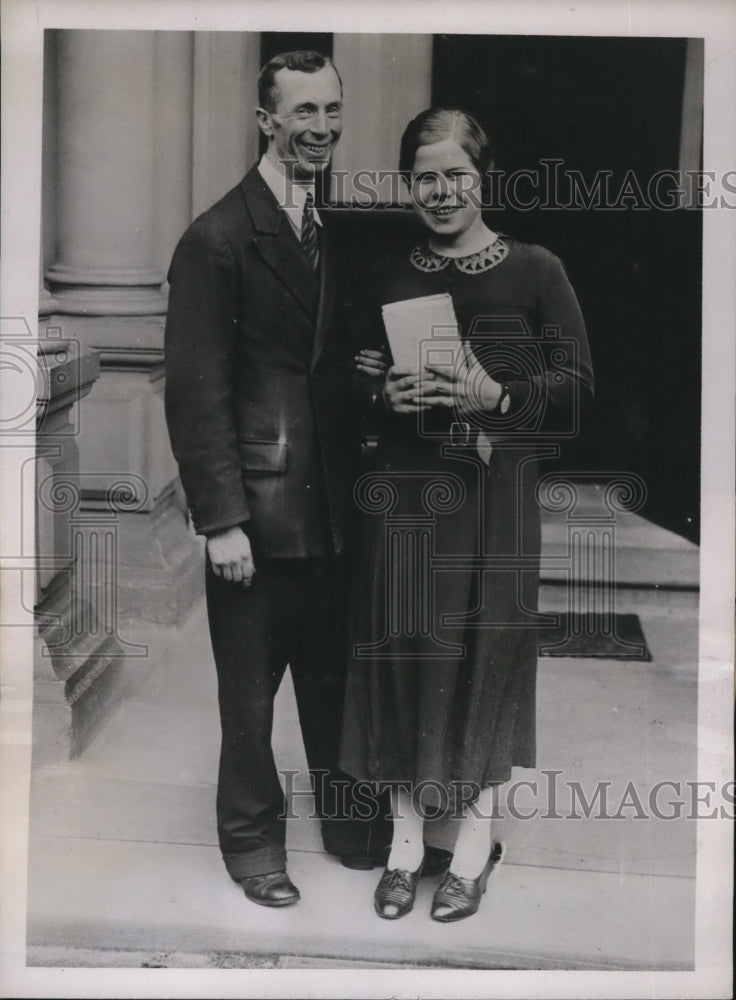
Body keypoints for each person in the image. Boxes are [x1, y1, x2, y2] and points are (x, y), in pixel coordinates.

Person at [341, 108, 594, 922]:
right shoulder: (388, 272)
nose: (441, 191)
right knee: (409, 654)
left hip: (495, 501)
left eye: (455, 174)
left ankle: (475, 848)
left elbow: (579, 392)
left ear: (482, 176)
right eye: (425, 177)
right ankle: (406, 845)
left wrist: (499, 394)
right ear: (409, 183)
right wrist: (381, 393)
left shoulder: (535, 269)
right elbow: (354, 379)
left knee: (484, 656)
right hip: (411, 495)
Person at [164, 50, 387, 908]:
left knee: (333, 678)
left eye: (331, 112)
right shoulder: (217, 237)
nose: (321, 129)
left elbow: (315, 366)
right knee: (249, 705)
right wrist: (221, 520)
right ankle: (254, 844)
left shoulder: (323, 227)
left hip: (329, 512)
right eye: (303, 113)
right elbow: (197, 390)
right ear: (265, 120)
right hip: (255, 517)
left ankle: (347, 824)